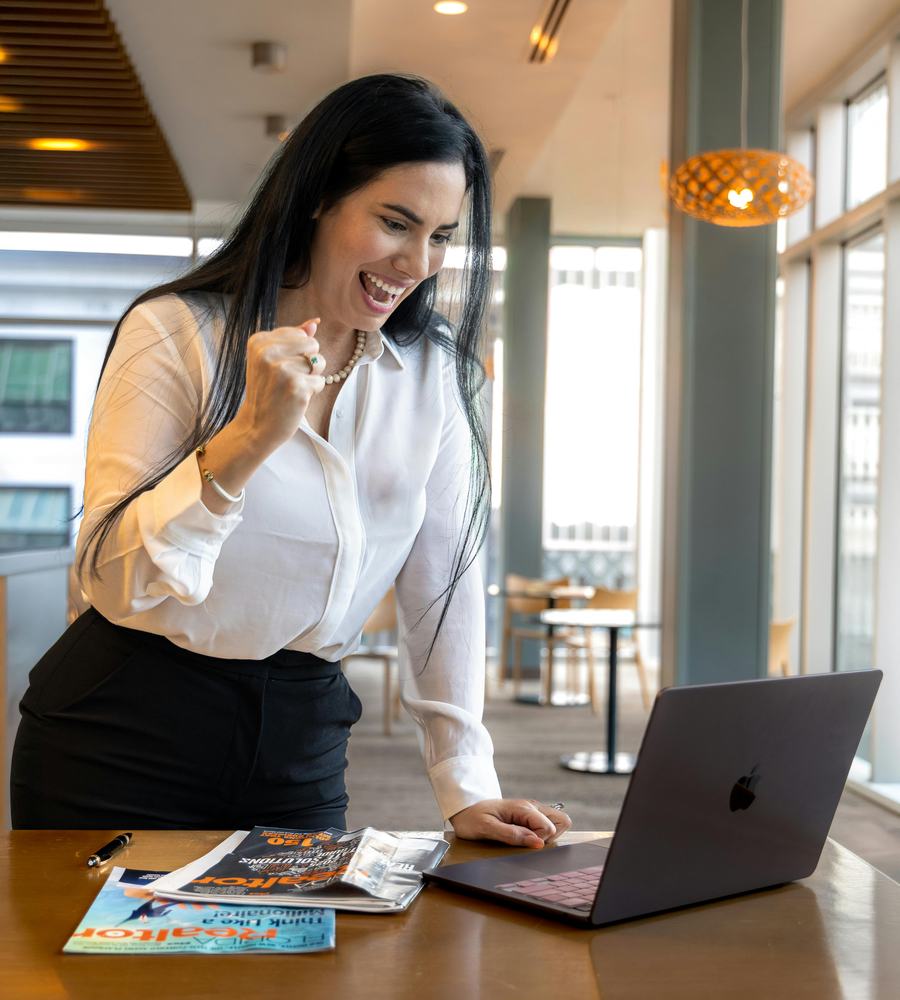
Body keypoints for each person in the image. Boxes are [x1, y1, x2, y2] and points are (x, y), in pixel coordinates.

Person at [10, 74, 570, 848]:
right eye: (395, 223)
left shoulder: (439, 377)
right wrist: (246, 440)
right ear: (317, 198)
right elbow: (113, 579)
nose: (417, 262)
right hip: (123, 730)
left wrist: (466, 784)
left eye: (440, 235)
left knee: (296, 968)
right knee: (118, 971)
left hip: (302, 739)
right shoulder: (175, 332)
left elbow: (443, 586)